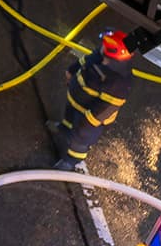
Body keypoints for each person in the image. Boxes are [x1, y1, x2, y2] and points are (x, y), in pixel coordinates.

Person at [51, 30, 135, 170]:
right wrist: (72, 70)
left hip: (89, 119)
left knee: (80, 140)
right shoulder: (102, 56)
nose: (101, 48)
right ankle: (64, 130)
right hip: (76, 101)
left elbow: (106, 108)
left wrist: (88, 123)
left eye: (105, 48)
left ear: (113, 58)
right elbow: (86, 60)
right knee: (69, 117)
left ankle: (71, 161)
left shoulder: (119, 83)